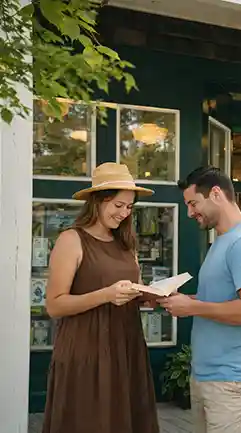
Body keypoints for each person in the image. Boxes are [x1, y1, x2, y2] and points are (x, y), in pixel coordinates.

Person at [42, 162, 159, 433]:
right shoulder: (71, 240)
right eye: (118, 205)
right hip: (86, 350)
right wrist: (106, 295)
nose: (124, 213)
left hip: (126, 346)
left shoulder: (126, 244)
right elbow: (55, 305)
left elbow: (134, 289)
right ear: (97, 201)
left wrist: (152, 296)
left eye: (129, 207)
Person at [159, 166, 241, 433]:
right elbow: (221, 300)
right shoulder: (224, 240)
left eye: (193, 203)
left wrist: (193, 307)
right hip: (210, 376)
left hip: (233, 381)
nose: (189, 212)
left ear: (216, 193)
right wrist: (184, 300)